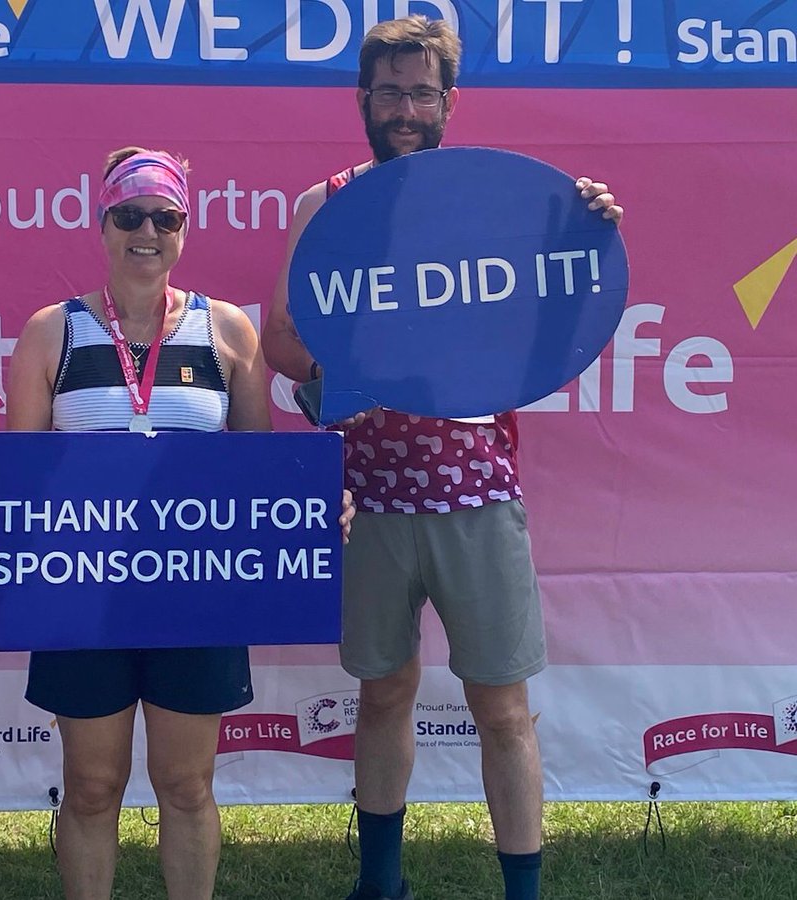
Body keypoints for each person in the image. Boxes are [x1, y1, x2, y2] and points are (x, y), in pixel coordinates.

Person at [261, 16, 623, 900]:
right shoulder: (325, 205)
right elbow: (280, 344)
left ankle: (523, 891)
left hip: (478, 492)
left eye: (423, 92)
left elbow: (558, 317)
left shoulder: (494, 201)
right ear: (363, 100)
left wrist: (589, 231)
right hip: (369, 497)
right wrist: (363, 367)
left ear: (449, 101)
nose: (406, 109)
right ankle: (381, 884)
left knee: (502, 707)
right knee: (381, 696)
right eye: (389, 92)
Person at [0, 147, 351, 900]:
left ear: (184, 228)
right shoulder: (53, 332)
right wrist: (2, 537)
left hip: (196, 597)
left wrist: (307, 514)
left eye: (164, 216)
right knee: (90, 786)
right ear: (103, 223)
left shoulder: (227, 332)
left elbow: (255, 475)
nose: (147, 230)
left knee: (184, 785)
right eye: (129, 215)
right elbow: (20, 478)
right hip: (83, 599)